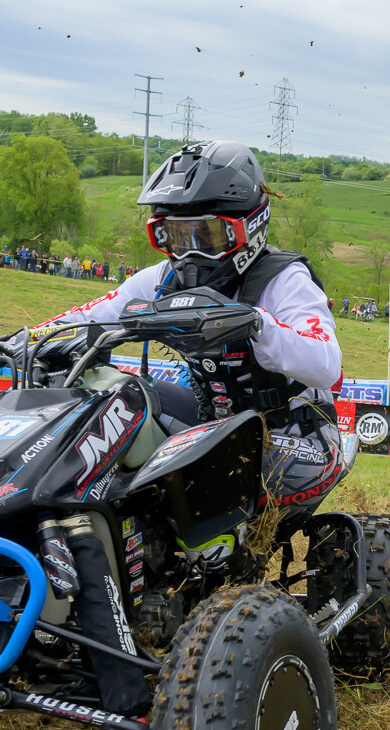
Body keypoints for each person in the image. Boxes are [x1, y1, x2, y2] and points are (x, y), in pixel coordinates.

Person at [40, 140, 345, 514]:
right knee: (121, 396)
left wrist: (257, 324)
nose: (190, 253)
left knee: (224, 480)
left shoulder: (284, 278)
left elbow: (327, 363)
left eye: (207, 236)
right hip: (211, 421)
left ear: (247, 227)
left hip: (292, 431)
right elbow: (92, 315)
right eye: (177, 237)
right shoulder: (164, 277)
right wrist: (21, 340)